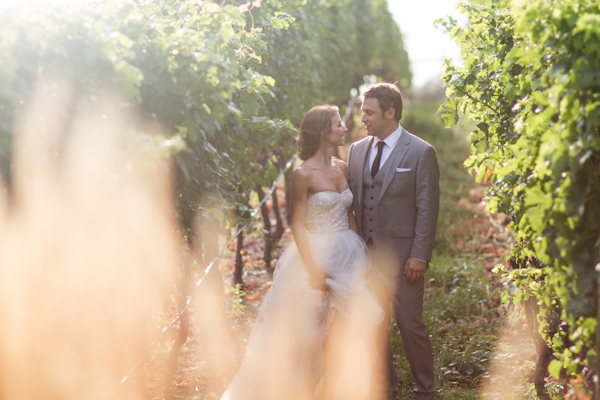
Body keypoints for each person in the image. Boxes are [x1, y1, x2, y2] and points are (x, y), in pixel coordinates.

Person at [220, 105, 383, 400]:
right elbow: (297, 224)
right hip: (314, 253)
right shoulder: (303, 174)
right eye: (338, 125)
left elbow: (351, 214)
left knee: (345, 330)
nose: (345, 128)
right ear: (323, 132)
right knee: (309, 333)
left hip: (347, 252)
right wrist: (312, 269)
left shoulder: (343, 167)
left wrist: (358, 254)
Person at [347, 82, 440, 400]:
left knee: (411, 326)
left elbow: (427, 208)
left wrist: (420, 254)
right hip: (367, 258)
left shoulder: (420, 151)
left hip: (404, 259)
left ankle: (425, 389)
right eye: (362, 112)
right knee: (374, 323)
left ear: (390, 112)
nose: (363, 119)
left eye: (369, 113)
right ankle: (386, 385)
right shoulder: (357, 150)